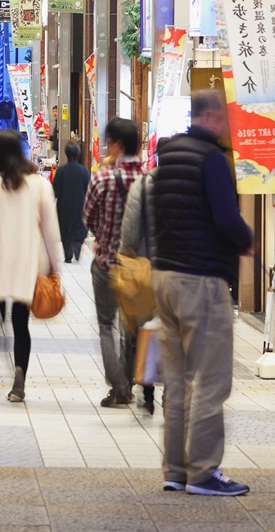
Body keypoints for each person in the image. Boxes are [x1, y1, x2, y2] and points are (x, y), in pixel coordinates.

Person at [150, 90, 253, 497]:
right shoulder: (211, 158)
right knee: (210, 381)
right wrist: (247, 239)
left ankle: (175, 470)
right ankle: (204, 472)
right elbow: (227, 217)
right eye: (223, 118)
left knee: (176, 381)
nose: (225, 126)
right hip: (201, 279)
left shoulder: (168, 156)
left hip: (166, 276)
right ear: (211, 117)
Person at [0, 130, 62, 402]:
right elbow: (51, 230)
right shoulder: (39, 184)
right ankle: (19, 376)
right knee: (21, 324)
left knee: (1, 315)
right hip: (29, 265)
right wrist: (56, 267)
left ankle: (1, 341)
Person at [83, 117, 146, 408]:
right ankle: (130, 382)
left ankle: (119, 388)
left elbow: (87, 217)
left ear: (117, 145)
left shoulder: (103, 178)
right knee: (133, 326)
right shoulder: (149, 178)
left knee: (107, 325)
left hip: (106, 262)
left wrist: (103, 235)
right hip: (138, 267)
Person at [118, 137, 171, 416]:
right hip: (178, 272)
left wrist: (128, 255)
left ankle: (148, 393)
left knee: (146, 328)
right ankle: (173, 392)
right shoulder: (191, 186)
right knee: (175, 329)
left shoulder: (144, 183)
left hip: (147, 269)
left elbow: (130, 232)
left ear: (156, 155)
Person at [52, 142, 90, 263]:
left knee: (65, 228)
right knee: (80, 226)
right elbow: (89, 189)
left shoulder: (61, 171)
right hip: (81, 205)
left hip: (64, 205)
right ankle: (77, 245)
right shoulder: (84, 171)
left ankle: (68, 254)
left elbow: (55, 190)